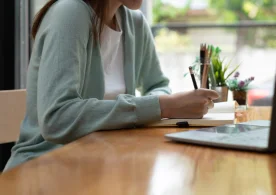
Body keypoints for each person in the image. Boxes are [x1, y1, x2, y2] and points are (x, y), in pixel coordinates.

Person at [4, 0, 219, 171]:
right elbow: (57, 118)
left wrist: (163, 102)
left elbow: (158, 85)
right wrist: (162, 106)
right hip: (45, 167)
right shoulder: (69, 12)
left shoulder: (134, 22)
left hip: (102, 161)